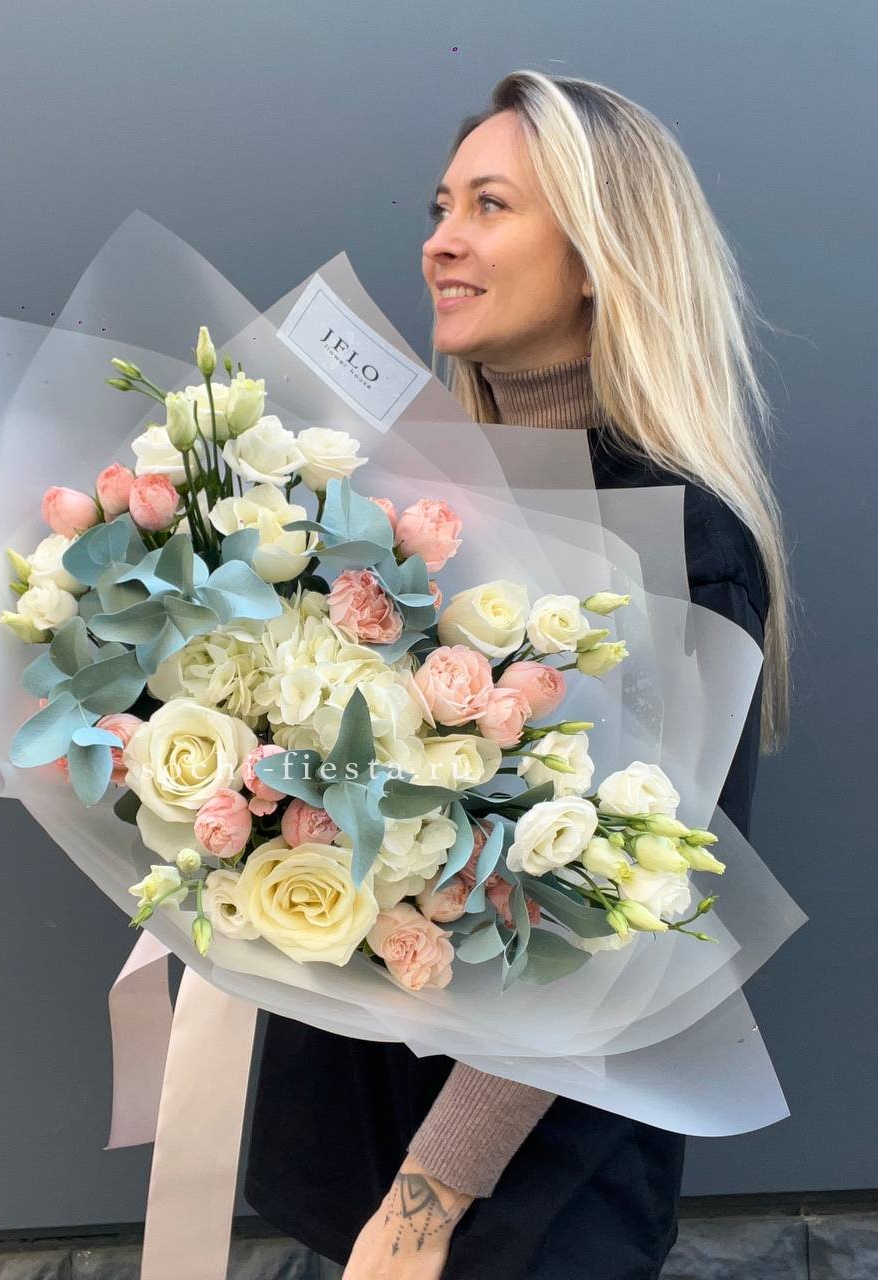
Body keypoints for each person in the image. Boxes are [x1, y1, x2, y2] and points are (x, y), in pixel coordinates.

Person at [243, 69, 795, 1280]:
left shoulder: (677, 535)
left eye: (490, 205)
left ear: (599, 254)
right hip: (370, 1148)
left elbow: (628, 917)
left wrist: (430, 1197)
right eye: (440, 206)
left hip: (521, 1197)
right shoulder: (414, 508)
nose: (441, 239)